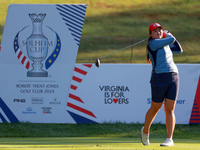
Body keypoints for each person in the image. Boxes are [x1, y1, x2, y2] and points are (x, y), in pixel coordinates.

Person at [141, 23, 183, 147]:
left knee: (170, 109)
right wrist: (167, 33)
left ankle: (169, 139)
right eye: (155, 31)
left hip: (173, 76)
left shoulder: (165, 44)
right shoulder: (152, 44)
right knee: (155, 108)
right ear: (150, 34)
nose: (158, 32)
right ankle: (145, 132)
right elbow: (171, 39)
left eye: (160, 30)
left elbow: (179, 49)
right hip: (159, 78)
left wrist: (167, 35)